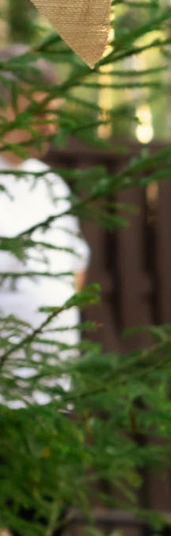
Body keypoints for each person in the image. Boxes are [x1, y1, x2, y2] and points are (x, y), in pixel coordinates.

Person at [0, 44, 88, 400]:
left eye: (54, 112)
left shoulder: (51, 184)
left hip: (50, 393)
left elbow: (76, 267)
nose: (50, 125)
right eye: (38, 112)